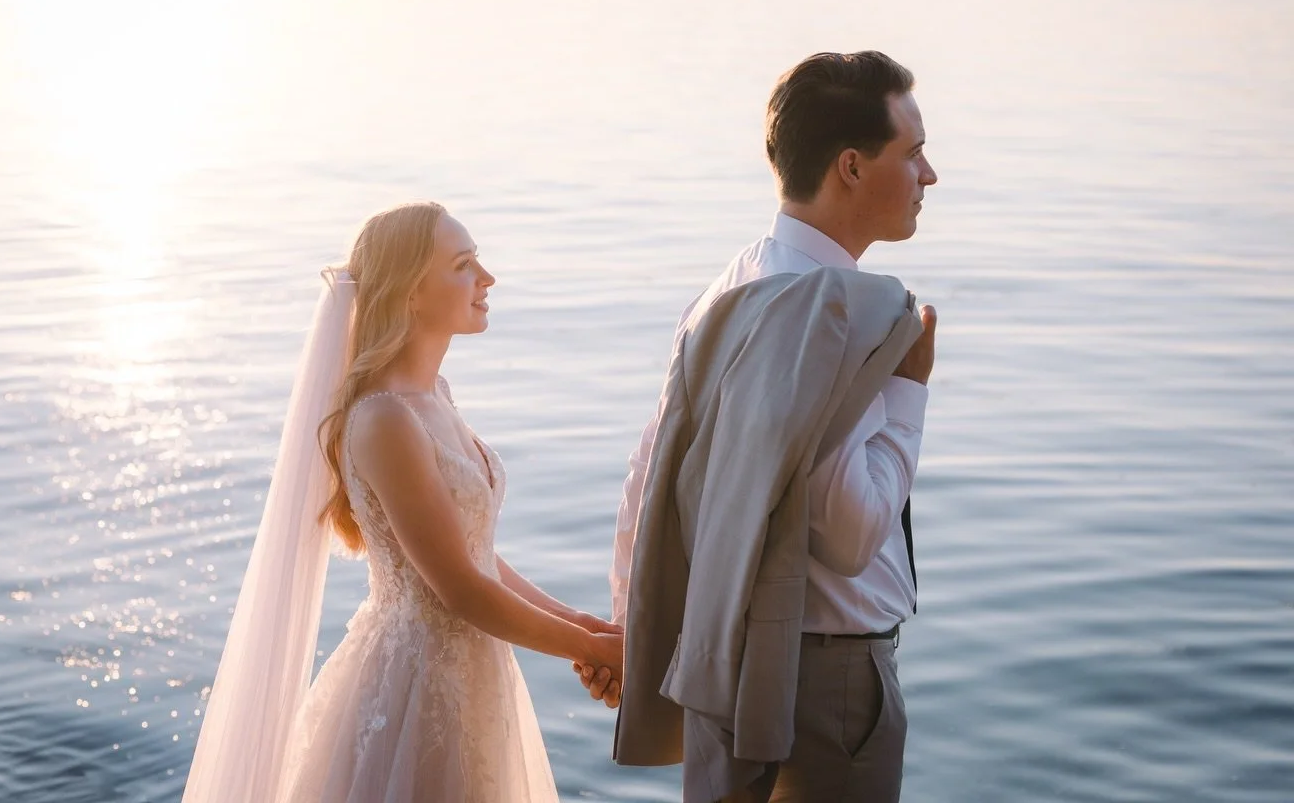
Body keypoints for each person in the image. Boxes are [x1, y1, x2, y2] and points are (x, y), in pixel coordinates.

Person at [183, 202, 624, 803]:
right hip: (416, 691)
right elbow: (460, 589)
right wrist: (594, 651)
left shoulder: (434, 395)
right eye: (465, 265)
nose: (487, 279)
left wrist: (580, 623)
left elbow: (477, 554)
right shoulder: (385, 419)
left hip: (475, 677)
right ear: (412, 292)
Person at [586, 51, 939, 803]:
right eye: (912, 154)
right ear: (851, 166)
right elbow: (849, 536)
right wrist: (909, 391)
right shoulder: (830, 312)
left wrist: (631, 627)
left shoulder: (733, 283)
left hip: (728, 667)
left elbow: (649, 479)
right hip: (828, 684)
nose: (929, 175)